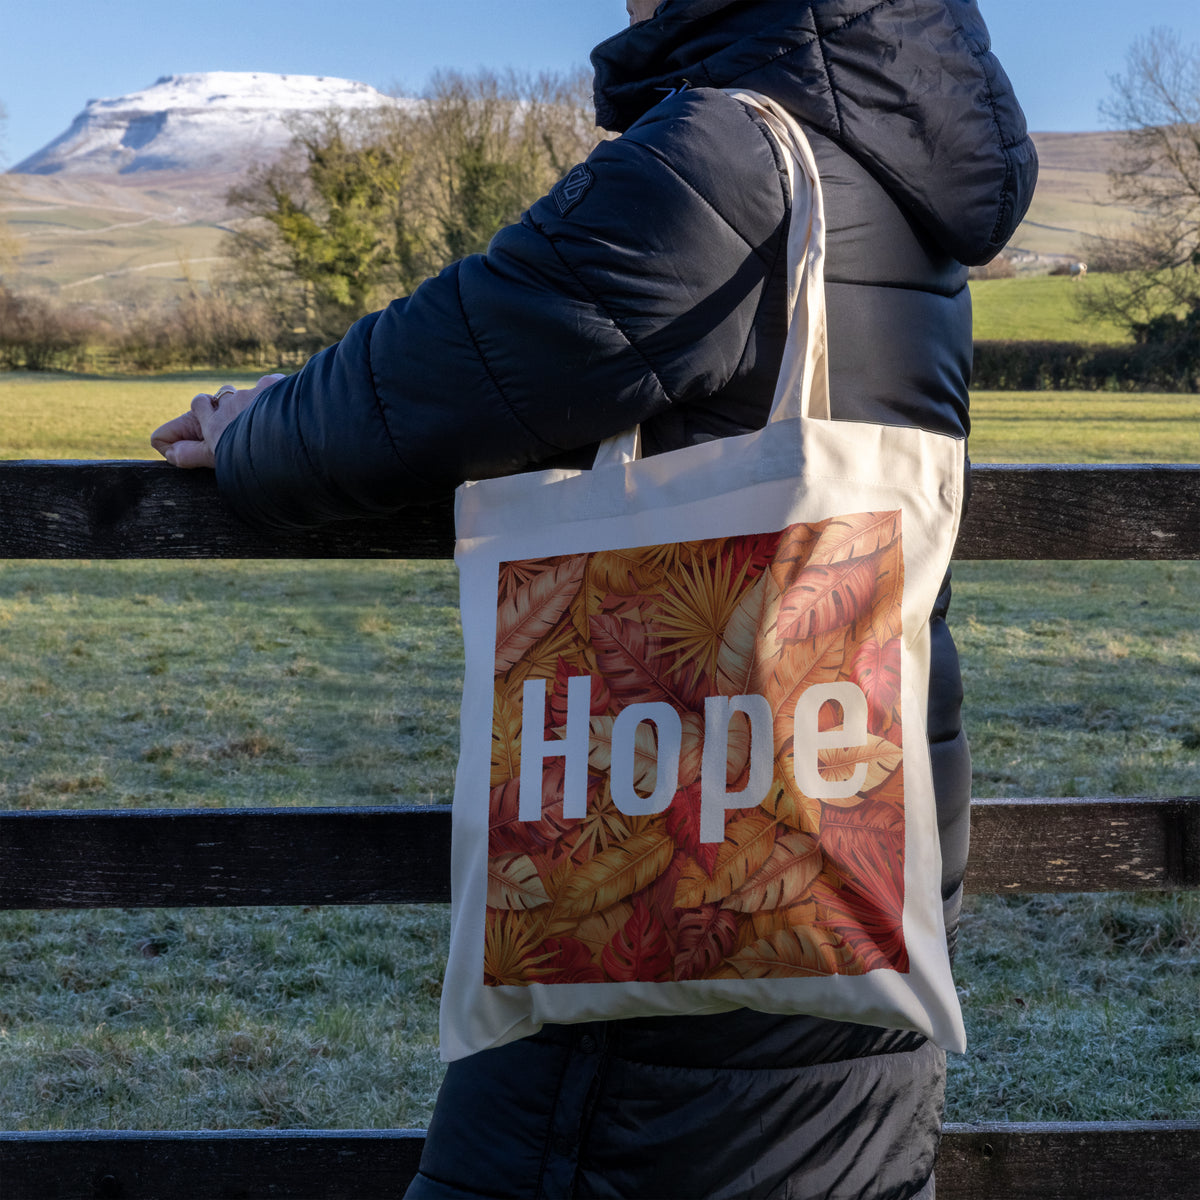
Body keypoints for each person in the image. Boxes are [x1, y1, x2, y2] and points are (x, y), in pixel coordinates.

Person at [153, 1, 1036, 1195]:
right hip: (858, 851)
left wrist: (258, 424)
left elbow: (455, 362)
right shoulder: (891, 151)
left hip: (681, 884)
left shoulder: (725, 156)